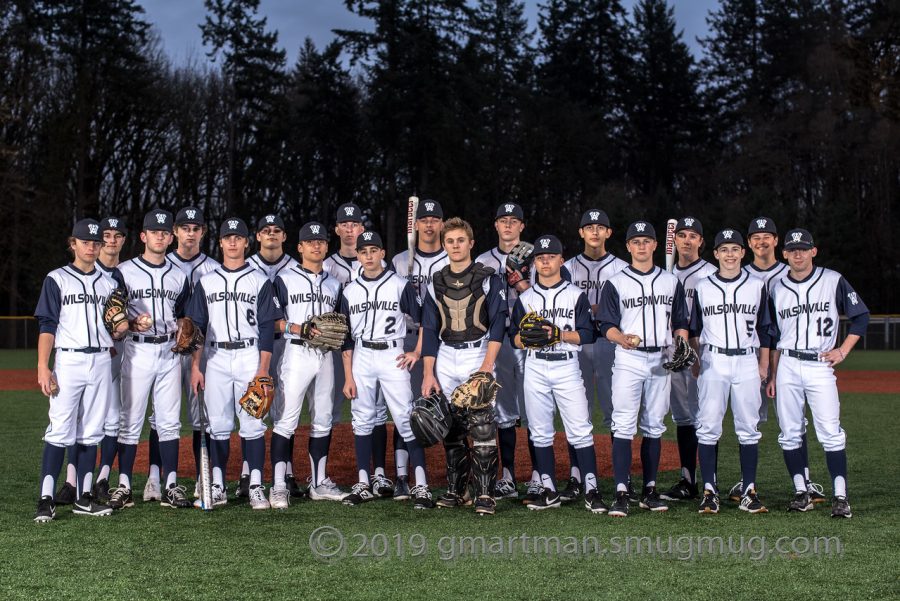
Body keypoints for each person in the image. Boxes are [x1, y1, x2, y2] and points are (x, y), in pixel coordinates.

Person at [766, 228, 868, 518]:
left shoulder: (833, 280)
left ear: (814, 251)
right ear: (784, 254)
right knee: (789, 433)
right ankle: (802, 491)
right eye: (792, 250)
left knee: (830, 433)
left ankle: (840, 496)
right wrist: (773, 375)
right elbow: (773, 336)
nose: (798, 254)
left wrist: (843, 350)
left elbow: (861, 317)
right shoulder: (776, 288)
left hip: (820, 364)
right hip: (786, 363)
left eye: (803, 248)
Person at [186, 217, 281, 509]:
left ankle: (255, 485)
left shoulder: (260, 281)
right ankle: (217, 484)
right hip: (215, 358)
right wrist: (195, 366)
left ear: (245, 242)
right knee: (218, 425)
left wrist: (263, 370)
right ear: (220, 242)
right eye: (228, 237)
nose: (232, 242)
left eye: (237, 237)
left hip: (249, 357)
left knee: (253, 425)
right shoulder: (207, 281)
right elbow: (196, 328)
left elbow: (268, 328)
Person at [728, 217, 824, 504]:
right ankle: (747, 483)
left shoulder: (791, 270)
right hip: (749, 359)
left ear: (776, 241)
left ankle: (804, 480)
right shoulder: (739, 274)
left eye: (766, 236)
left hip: (787, 359)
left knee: (795, 421)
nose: (761, 241)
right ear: (748, 244)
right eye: (755, 237)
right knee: (746, 420)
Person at [34, 219, 124, 520]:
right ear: (73, 243)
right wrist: (43, 367)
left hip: (101, 359)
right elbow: (47, 325)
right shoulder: (57, 279)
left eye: (96, 242)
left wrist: (126, 325)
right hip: (69, 360)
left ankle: (84, 498)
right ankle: (45, 498)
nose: (91, 246)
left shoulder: (111, 283)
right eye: (85, 241)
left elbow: (117, 325)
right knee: (59, 429)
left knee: (91, 432)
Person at [598, 220, 690, 517]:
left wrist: (681, 345)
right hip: (629, 359)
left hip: (661, 358)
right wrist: (621, 338)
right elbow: (607, 325)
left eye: (646, 241)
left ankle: (649, 489)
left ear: (654, 245)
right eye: (635, 241)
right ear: (628, 247)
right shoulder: (615, 282)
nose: (641, 245)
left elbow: (680, 321)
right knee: (623, 424)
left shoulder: (670, 281)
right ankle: (622, 490)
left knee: (654, 424)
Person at [511, 234, 606, 513]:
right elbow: (513, 337)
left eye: (550, 257)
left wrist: (559, 334)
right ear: (534, 263)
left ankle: (592, 490)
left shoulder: (576, 295)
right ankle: (549, 490)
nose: (545, 261)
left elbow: (589, 335)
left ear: (561, 260)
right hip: (536, 366)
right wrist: (526, 340)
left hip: (566, 366)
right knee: (540, 432)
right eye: (540, 258)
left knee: (580, 430)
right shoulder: (525, 297)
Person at [338, 231, 433, 509]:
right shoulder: (349, 291)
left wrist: (416, 350)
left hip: (393, 354)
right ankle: (363, 483)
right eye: (363, 251)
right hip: (362, 355)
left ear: (383, 254)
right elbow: (345, 337)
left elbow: (424, 320)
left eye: (373, 251)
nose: (368, 256)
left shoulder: (400, 285)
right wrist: (348, 375)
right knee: (362, 419)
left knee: (406, 418)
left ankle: (422, 486)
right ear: (357, 256)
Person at [420, 217, 507, 514]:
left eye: (460, 240)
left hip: (476, 351)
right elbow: (430, 329)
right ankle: (456, 490)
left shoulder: (488, 277)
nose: (455, 246)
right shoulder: (435, 281)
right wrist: (428, 373)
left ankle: (485, 493)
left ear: (471, 243)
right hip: (446, 354)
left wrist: (486, 366)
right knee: (452, 428)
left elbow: (498, 324)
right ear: (443, 246)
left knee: (482, 424)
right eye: (450, 241)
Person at [108, 209, 192, 510]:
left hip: (169, 352)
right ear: (143, 236)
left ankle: (170, 485)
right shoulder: (124, 272)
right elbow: (112, 317)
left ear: (171, 238)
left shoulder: (179, 276)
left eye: (165, 232)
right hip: (138, 351)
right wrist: (130, 324)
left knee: (169, 423)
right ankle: (124, 486)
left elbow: (184, 316)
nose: (160, 236)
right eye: (154, 231)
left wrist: (185, 329)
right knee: (130, 422)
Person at [689, 229, 770, 514]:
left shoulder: (757, 284)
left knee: (748, 428)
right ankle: (710, 490)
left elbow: (765, 327)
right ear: (716, 254)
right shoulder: (702, 285)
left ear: (742, 253)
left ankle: (748, 489)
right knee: (708, 427)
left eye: (735, 249)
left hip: (747, 361)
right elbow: (694, 329)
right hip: (714, 361)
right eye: (724, 249)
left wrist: (763, 364)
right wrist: (696, 360)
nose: (730, 254)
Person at [269, 221, 347, 508]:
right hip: (296, 353)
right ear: (299, 247)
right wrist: (297, 327)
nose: (317, 245)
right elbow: (273, 320)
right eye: (310, 242)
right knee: (287, 420)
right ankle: (278, 485)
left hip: (325, 355)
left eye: (322, 241)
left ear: (327, 246)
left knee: (323, 418)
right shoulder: (284, 279)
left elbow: (340, 323)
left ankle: (319, 482)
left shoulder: (334, 284)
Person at [149, 207, 220, 502]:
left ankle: (203, 479)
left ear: (202, 232)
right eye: (184, 227)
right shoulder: (162, 265)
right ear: (174, 232)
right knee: (160, 418)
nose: (190, 233)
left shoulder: (215, 267)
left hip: (201, 353)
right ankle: (154, 479)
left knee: (201, 417)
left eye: (195, 227)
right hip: (166, 350)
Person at [323, 203, 393, 497]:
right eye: (344, 224)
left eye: (355, 224)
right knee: (328, 411)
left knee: (376, 410)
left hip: (371, 348)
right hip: (333, 347)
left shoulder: (382, 266)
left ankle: (378, 473)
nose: (350, 228)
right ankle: (318, 476)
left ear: (361, 229)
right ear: (337, 229)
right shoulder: (326, 265)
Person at [562, 209, 627, 503]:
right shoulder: (565, 268)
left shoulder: (623, 268)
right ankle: (577, 477)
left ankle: (620, 479)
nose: (595, 232)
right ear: (581, 233)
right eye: (589, 227)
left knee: (615, 412)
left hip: (610, 345)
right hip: (576, 345)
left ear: (609, 233)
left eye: (601, 227)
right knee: (578, 412)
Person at [474, 203, 535, 502]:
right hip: (496, 339)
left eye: (514, 221)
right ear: (495, 225)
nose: (508, 226)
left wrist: (523, 284)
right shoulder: (482, 260)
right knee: (505, 411)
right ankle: (507, 476)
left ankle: (539, 477)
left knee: (536, 408)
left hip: (530, 338)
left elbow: (545, 302)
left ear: (522, 226)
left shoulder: (538, 258)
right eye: (503, 221)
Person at [390, 200, 448, 499]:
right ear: (415, 226)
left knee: (450, 407)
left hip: (446, 340)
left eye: (433, 219)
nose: (428, 224)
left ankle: (454, 475)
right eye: (423, 219)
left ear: (441, 224)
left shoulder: (452, 257)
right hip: (407, 339)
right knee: (405, 407)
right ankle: (402, 476)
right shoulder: (400, 261)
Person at [246, 213, 302, 499]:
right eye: (265, 230)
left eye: (276, 230)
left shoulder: (295, 266)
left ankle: (287, 472)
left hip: (287, 342)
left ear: (284, 236)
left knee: (283, 409)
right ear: (257, 236)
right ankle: (247, 473)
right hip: (253, 343)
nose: (270, 234)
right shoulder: (246, 267)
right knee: (252, 406)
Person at [660, 217, 716, 502]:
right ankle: (688, 478)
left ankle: (711, 482)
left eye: (693, 235)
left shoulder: (712, 273)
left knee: (707, 418)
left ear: (701, 242)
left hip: (704, 354)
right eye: (681, 235)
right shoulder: (664, 276)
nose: (686, 240)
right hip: (672, 352)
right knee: (683, 418)